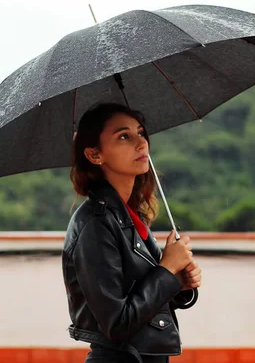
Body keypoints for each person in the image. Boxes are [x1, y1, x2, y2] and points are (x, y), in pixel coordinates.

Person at [62, 103, 202, 363]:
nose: (141, 144)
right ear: (95, 155)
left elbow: (143, 304)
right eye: (124, 136)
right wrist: (166, 269)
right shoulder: (95, 224)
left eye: (141, 133)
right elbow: (117, 324)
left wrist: (177, 283)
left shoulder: (131, 217)